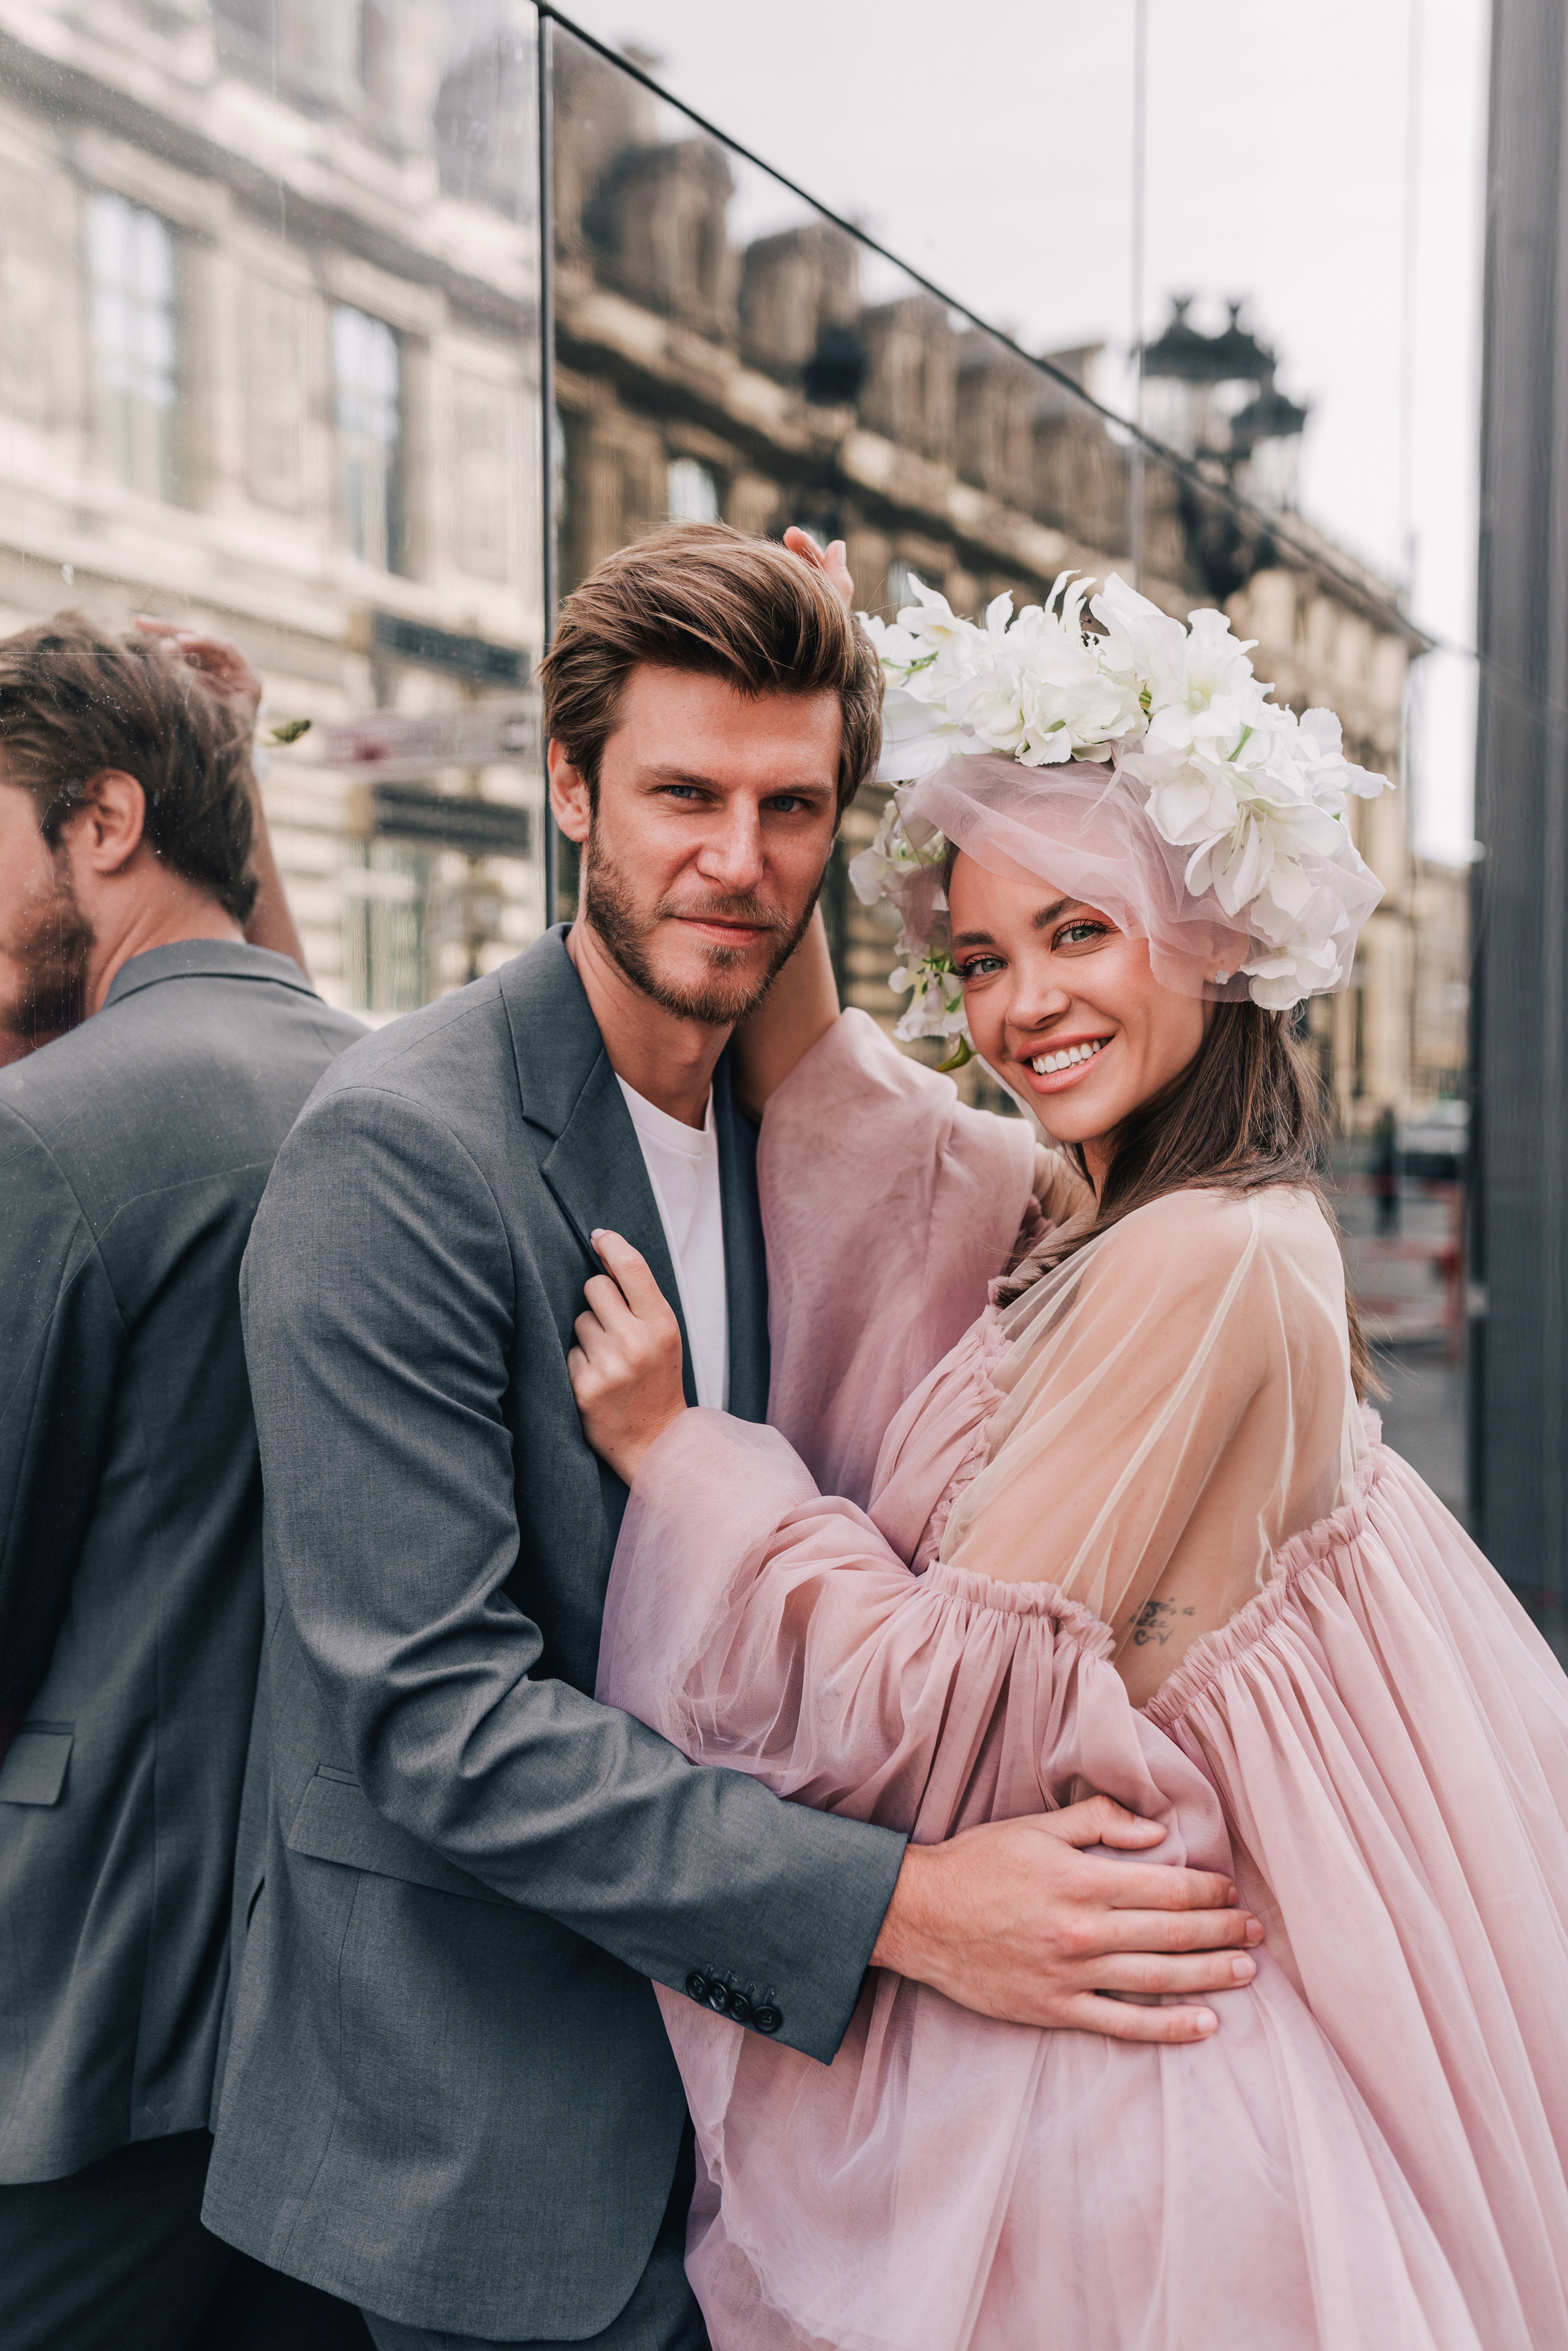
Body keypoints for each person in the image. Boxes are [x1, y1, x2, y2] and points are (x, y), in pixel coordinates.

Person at [202, 524, 1264, 2351]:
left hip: (791, 2139)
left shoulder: (791, 1128)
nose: (736, 859)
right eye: (683, 793)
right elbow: (440, 1726)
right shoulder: (401, 1156)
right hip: (521, 2141)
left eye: (792, 808)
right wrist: (909, 1911)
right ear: (567, 790)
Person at [570, 570, 1568, 2350]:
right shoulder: (1103, 1210)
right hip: (1138, 2038)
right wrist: (830, 753)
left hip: (1143, 2114)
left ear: (1205, 931)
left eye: (1080, 933)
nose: (1025, 1003)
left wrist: (681, 1456)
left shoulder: (1209, 1259)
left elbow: (927, 1703)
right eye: (980, 956)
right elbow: (831, 1092)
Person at [0, 614, 371, 2350]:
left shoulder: (48, 1134)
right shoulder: (400, 1096)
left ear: (104, 823)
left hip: (71, 2046)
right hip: (338, 2055)